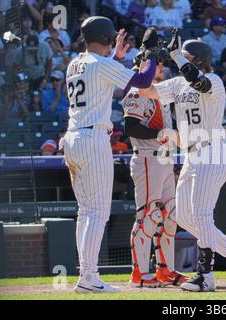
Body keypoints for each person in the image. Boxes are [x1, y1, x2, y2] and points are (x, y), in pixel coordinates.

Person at [138, 29, 226, 292]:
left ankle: (206, 276)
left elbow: (198, 82)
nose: (180, 63)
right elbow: (145, 92)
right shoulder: (178, 83)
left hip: (212, 151)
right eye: (181, 58)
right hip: (191, 153)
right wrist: (144, 59)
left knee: (201, 214)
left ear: (199, 60)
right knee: (187, 218)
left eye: (187, 58)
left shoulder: (214, 80)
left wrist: (177, 55)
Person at [61, 16, 159, 294]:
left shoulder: (75, 63)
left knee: (86, 212)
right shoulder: (100, 64)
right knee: (97, 212)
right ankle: (89, 276)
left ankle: (87, 274)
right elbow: (141, 81)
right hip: (92, 139)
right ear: (104, 38)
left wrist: (114, 55)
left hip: (73, 137)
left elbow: (106, 80)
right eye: (110, 38)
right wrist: (150, 55)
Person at [123, 53, 190, 288]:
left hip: (164, 159)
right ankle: (139, 273)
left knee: (171, 215)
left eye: (161, 63)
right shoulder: (135, 91)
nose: (161, 67)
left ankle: (166, 271)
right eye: (155, 63)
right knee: (148, 216)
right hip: (147, 159)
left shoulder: (160, 92)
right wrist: (159, 134)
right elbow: (130, 128)